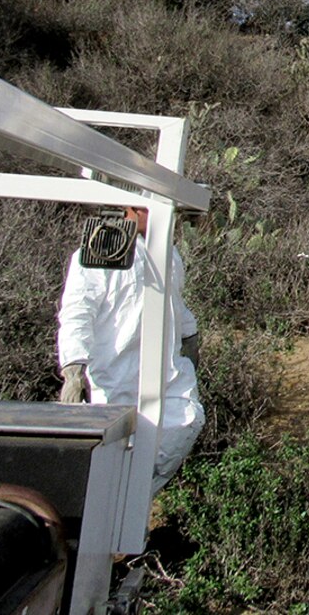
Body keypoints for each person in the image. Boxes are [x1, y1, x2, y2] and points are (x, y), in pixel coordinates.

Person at [57, 205, 203, 492]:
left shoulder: (168, 254)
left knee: (187, 421)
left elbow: (174, 303)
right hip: (116, 381)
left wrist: (190, 335)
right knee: (112, 469)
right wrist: (73, 369)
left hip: (167, 380)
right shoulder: (103, 249)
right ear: (134, 208)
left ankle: (132, 509)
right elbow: (78, 310)